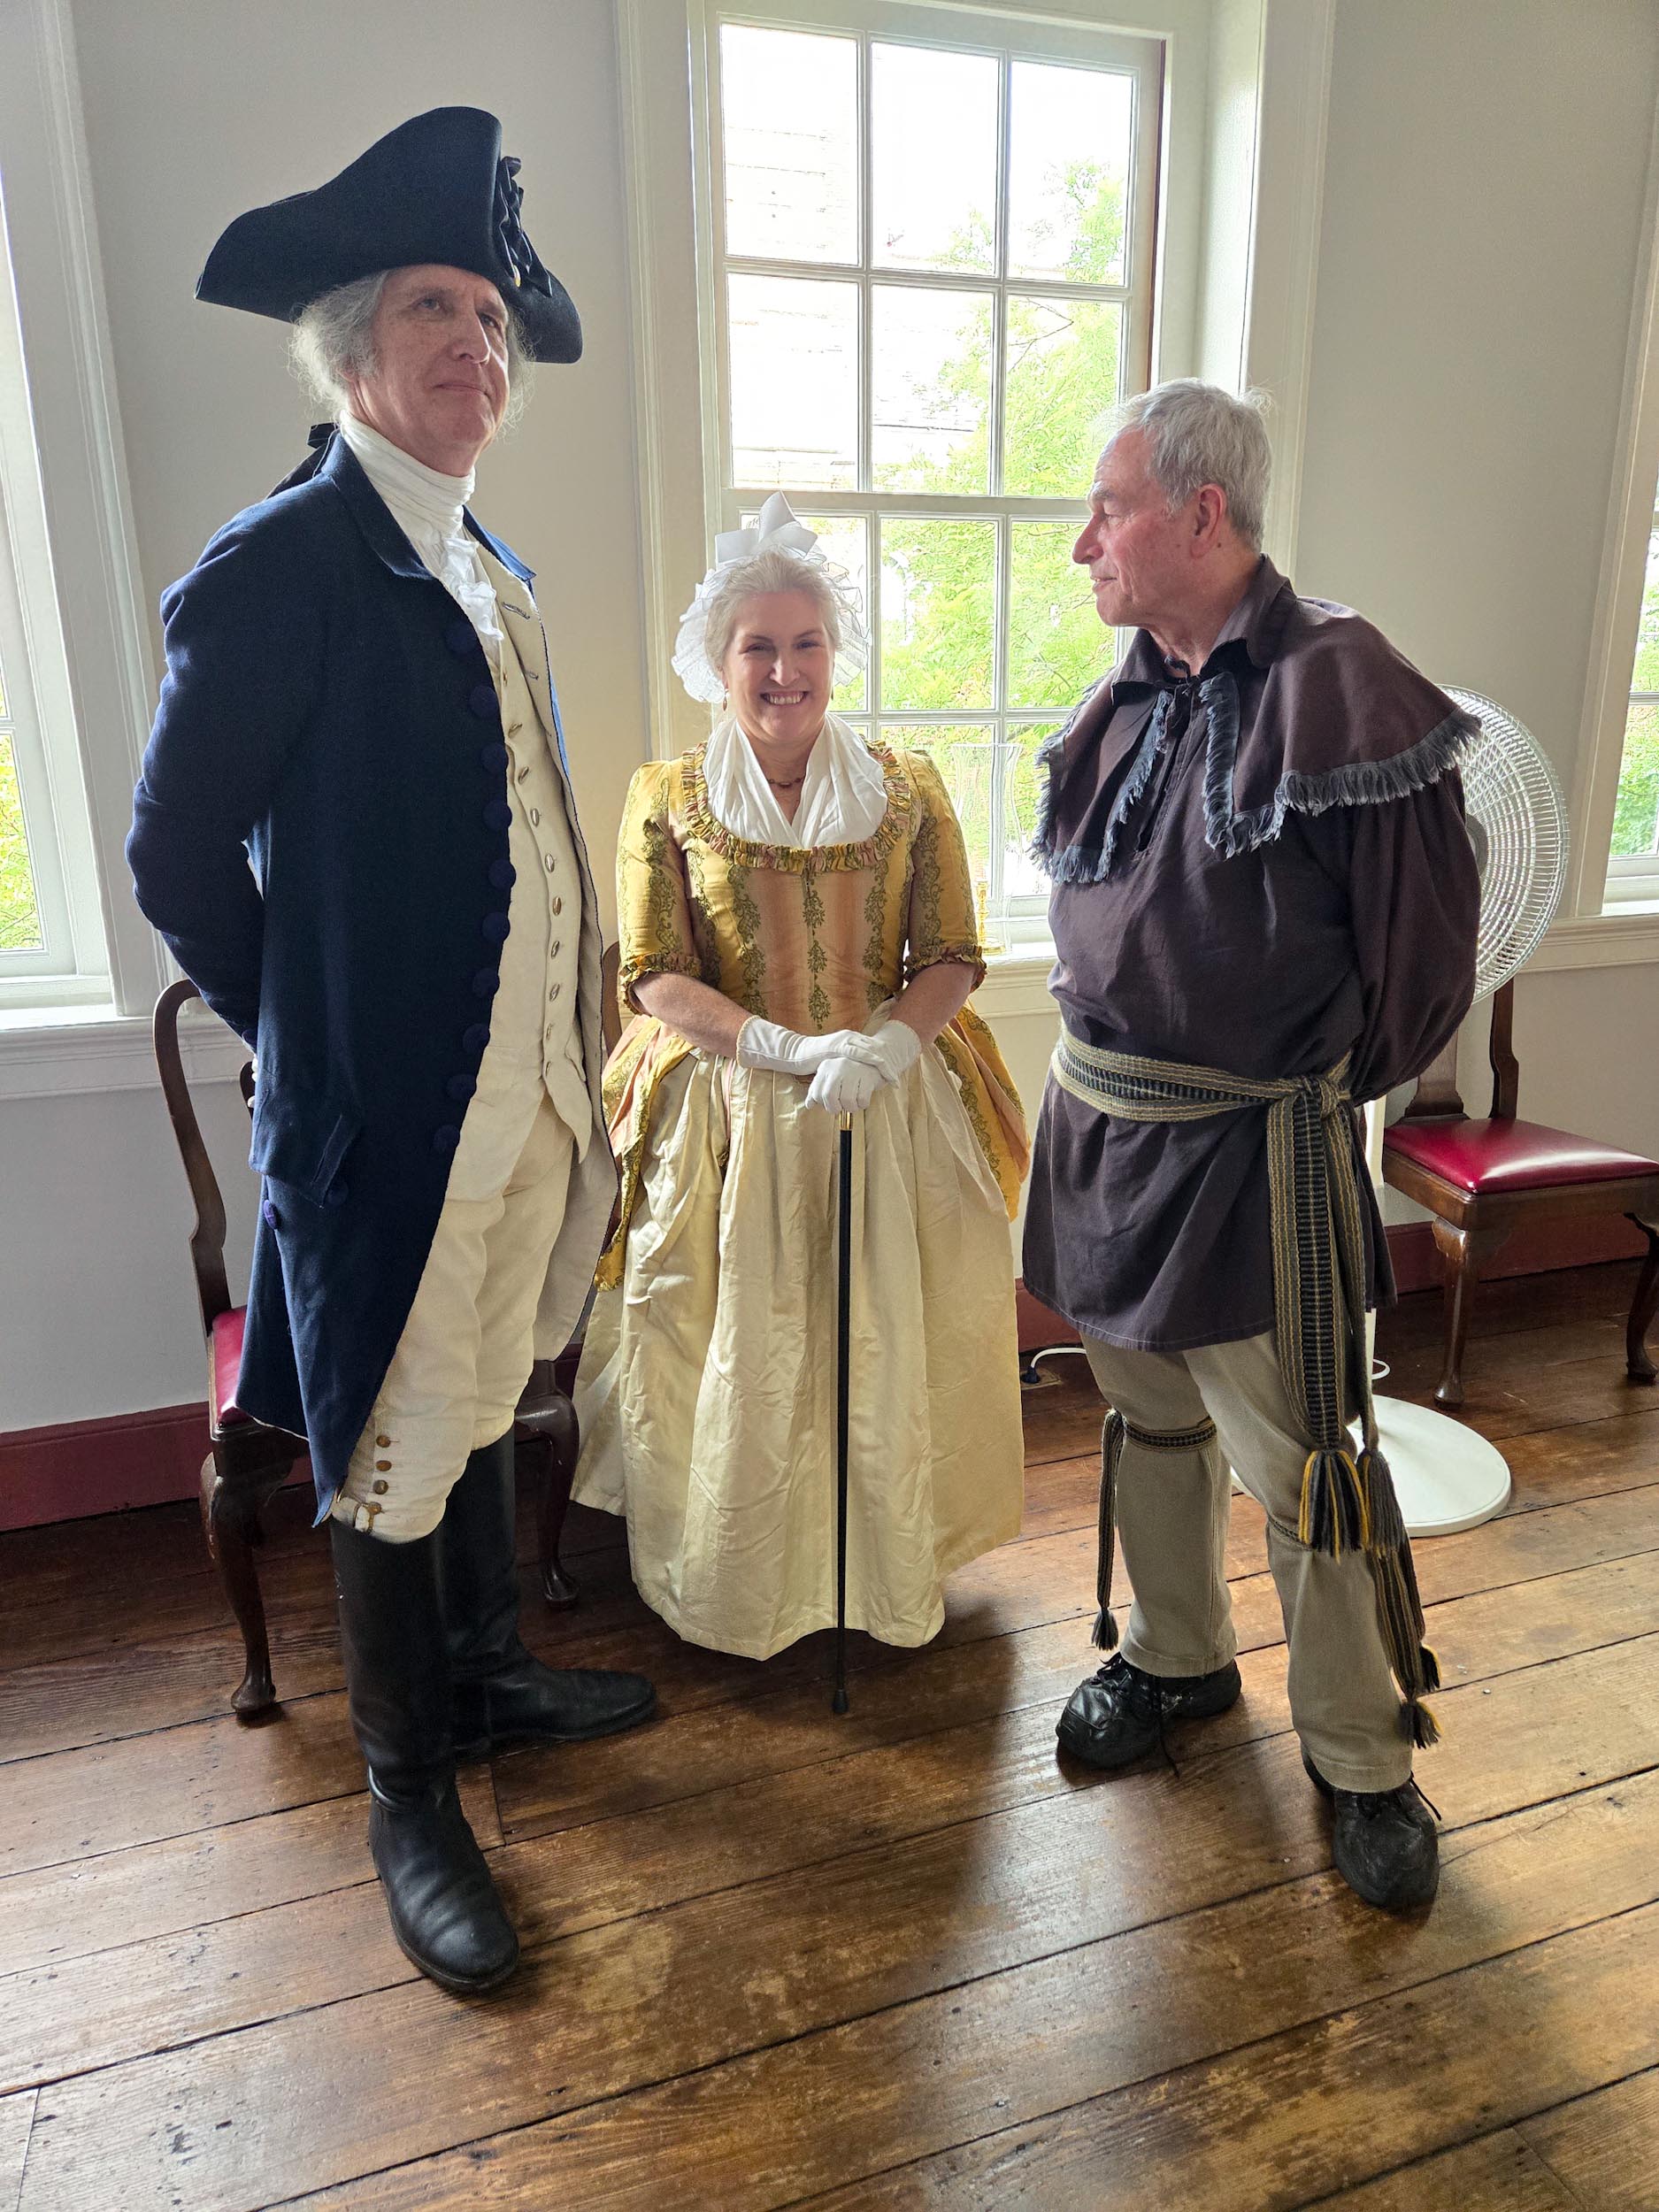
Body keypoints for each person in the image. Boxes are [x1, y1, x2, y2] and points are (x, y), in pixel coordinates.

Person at [126, 109, 654, 1995]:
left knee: (486, 1390)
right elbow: (175, 855)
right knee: (387, 1451)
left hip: (524, 1099)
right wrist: (307, 1033)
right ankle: (406, 1790)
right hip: (390, 1126)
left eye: (493, 319)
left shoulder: (488, 563)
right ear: (352, 347)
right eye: (437, 307)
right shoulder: (279, 565)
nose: (476, 344)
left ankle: (489, 1670)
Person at [1024, 380, 1480, 1912]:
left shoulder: (1344, 683)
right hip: (1105, 1137)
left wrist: (1303, 1095)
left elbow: (1423, 961)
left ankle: (1360, 1755)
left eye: (1108, 509)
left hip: (1251, 1157)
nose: (1085, 541)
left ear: (1200, 514)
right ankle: (1178, 1657)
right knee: (1149, 1415)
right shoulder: (1134, 686)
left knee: (1302, 1465)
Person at [572, 496, 1030, 1662]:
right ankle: (740, 1575)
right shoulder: (667, 796)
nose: (786, 671)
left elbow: (953, 953)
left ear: (838, 650)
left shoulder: (909, 787)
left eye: (807, 642)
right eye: (759, 647)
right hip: (732, 1107)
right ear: (719, 660)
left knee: (883, 1333)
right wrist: (780, 1050)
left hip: (888, 1098)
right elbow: (654, 975)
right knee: (744, 1339)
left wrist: (887, 1045)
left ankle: (881, 1566)